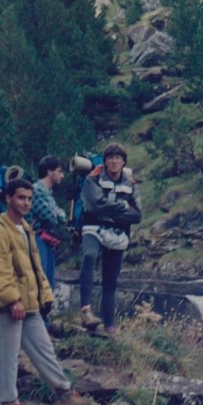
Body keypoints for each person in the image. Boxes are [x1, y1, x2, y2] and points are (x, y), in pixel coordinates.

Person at [0, 178, 94, 405]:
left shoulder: (26, 228)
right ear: (8, 198)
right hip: (9, 304)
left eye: (29, 198)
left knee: (44, 350)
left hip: (29, 304)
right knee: (7, 354)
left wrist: (46, 297)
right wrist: (11, 300)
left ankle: (64, 394)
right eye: (21, 198)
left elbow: (34, 269)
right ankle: (9, 404)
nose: (26, 203)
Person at [78, 143, 142, 336]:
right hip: (93, 227)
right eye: (110, 157)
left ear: (123, 162)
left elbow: (138, 215)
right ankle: (86, 310)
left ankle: (109, 326)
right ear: (105, 161)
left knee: (110, 279)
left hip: (117, 233)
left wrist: (110, 212)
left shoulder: (131, 184)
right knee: (89, 256)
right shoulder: (93, 178)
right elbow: (95, 204)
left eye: (118, 158)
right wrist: (123, 207)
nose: (114, 161)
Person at [27, 156, 67, 290]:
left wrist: (58, 213)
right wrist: (57, 214)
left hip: (47, 240)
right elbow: (50, 217)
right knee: (40, 278)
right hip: (36, 238)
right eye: (59, 171)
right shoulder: (37, 190)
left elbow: (61, 215)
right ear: (50, 172)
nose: (62, 175)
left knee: (48, 282)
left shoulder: (47, 193)